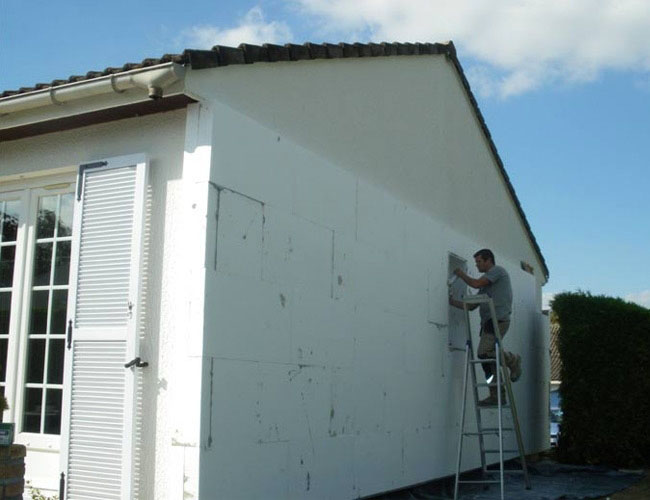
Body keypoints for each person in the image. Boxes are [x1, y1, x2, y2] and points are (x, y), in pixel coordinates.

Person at [448, 249, 522, 406]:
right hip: (489, 323)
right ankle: (496, 394)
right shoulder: (485, 288)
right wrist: (452, 301)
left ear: (489, 260)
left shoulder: (497, 272)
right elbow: (471, 306)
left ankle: (512, 360)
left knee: (484, 353)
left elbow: (475, 282)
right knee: (487, 361)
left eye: (479, 262)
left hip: (498, 320)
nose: (477, 265)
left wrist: (460, 273)